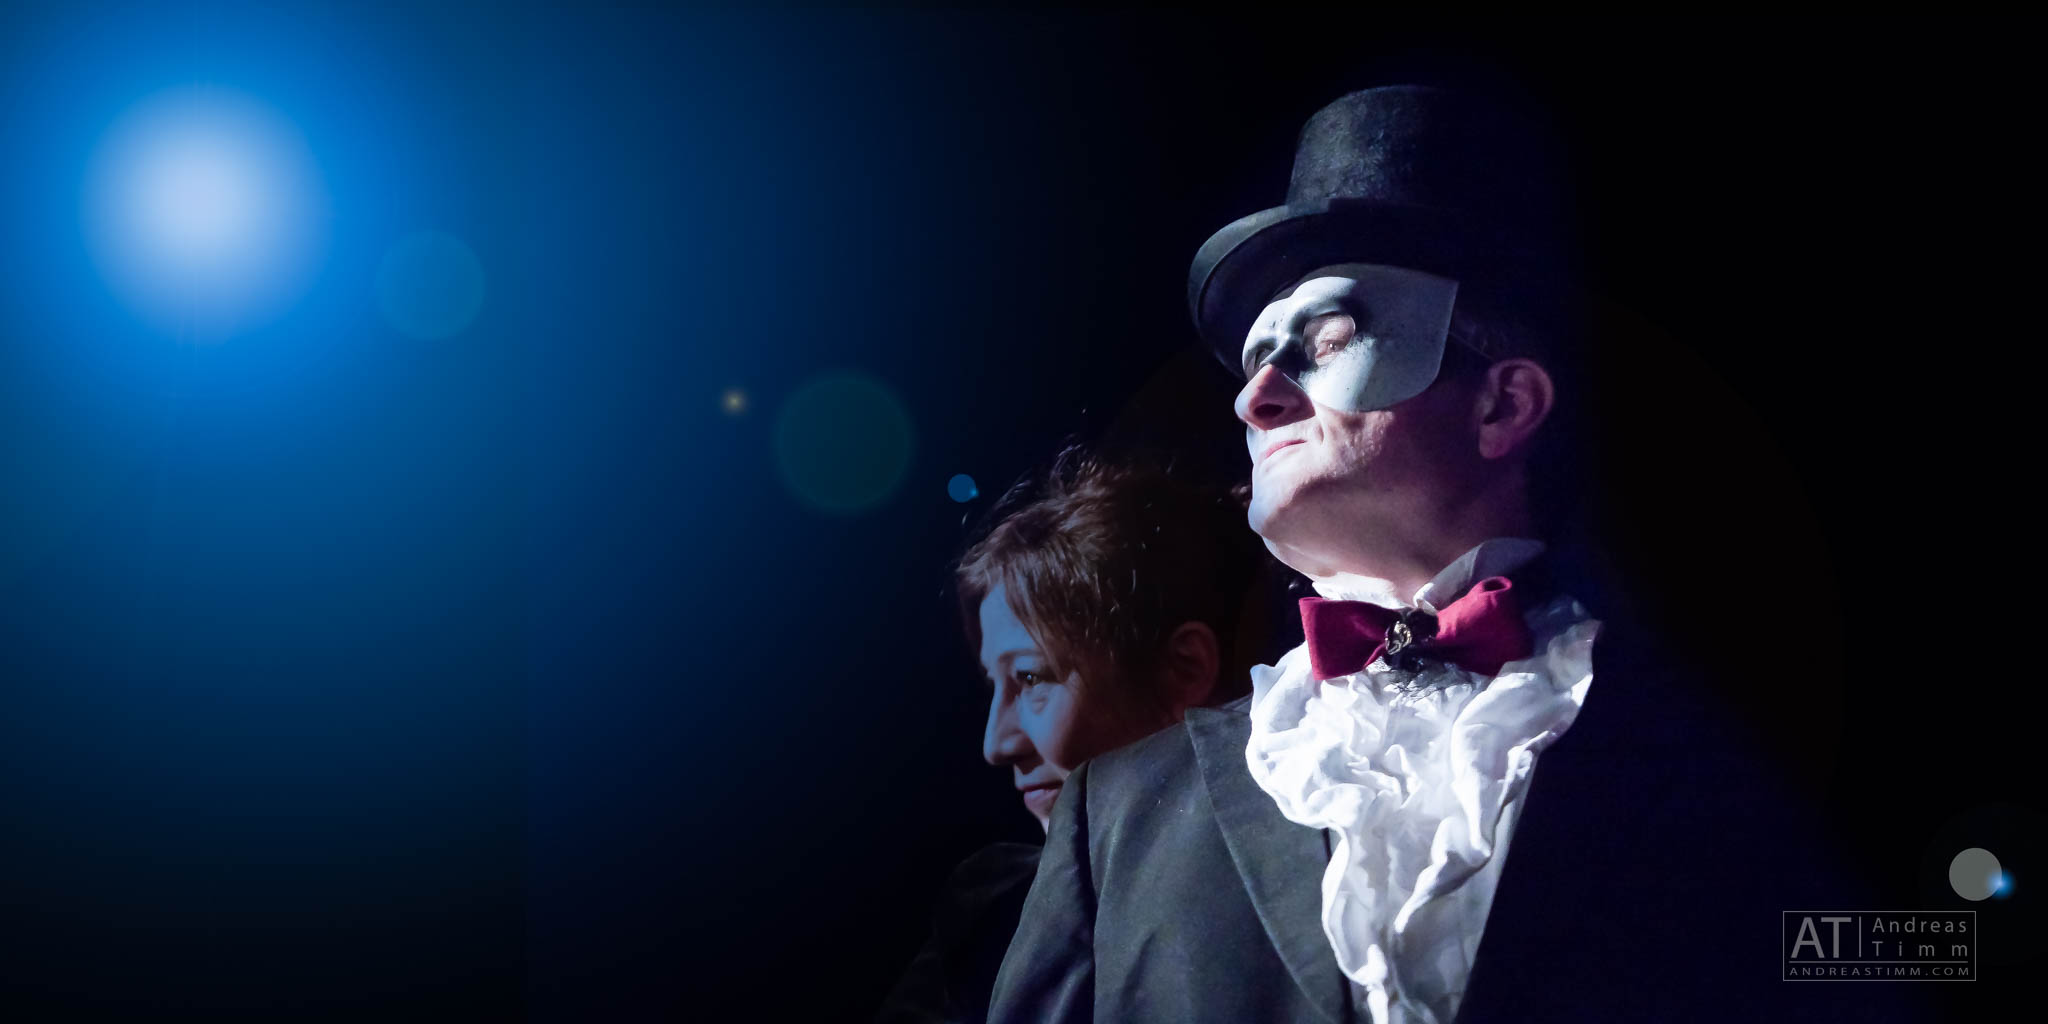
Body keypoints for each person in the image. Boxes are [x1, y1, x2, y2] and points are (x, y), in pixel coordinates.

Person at [988, 85, 1930, 1023]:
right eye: (1252, 364)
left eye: (1325, 341)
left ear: (1503, 405)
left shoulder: (1728, 754)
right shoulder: (1117, 815)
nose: (1256, 399)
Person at [876, 448, 1275, 1024]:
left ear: (1185, 668)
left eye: (1031, 678)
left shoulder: (1331, 872)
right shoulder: (989, 909)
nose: (996, 742)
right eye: (997, 684)